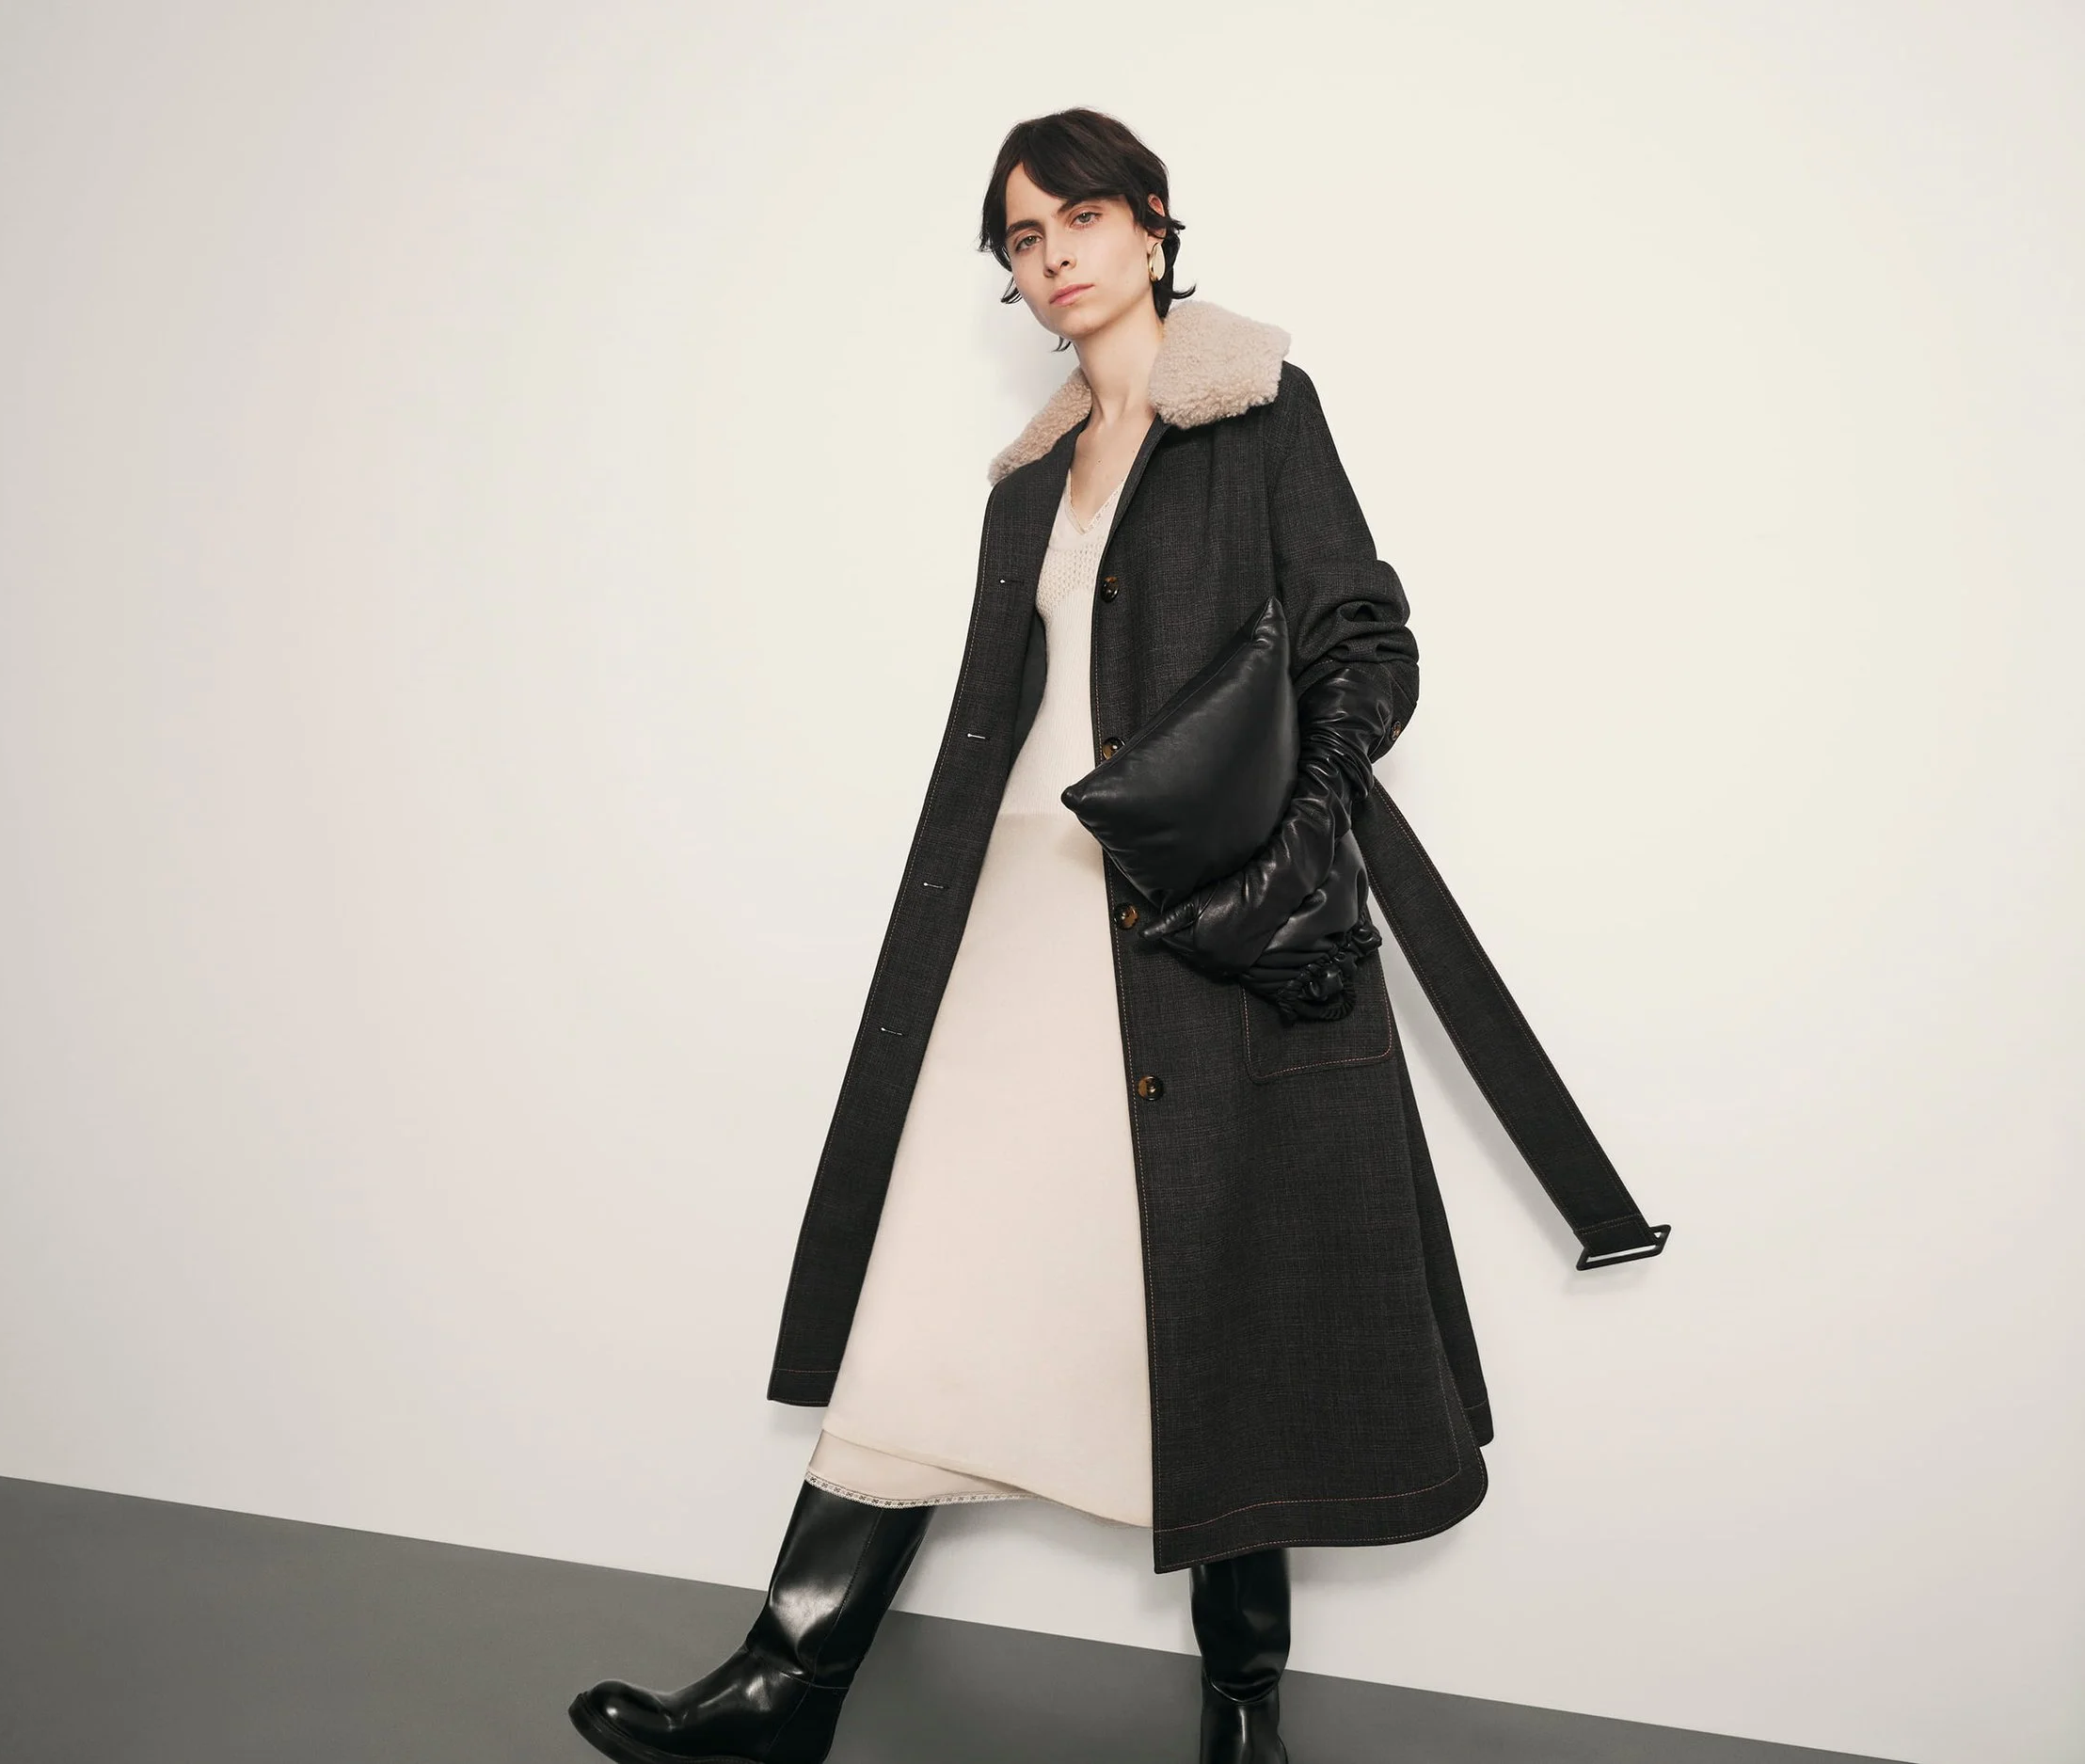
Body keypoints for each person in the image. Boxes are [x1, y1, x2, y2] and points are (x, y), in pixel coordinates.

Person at [567, 106, 1664, 1764]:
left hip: (1197, 927)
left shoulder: (1259, 410)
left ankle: (1242, 1710)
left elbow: (1365, 638)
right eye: (1023, 238)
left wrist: (1304, 833)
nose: (1054, 255)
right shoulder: (1027, 480)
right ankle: (786, 1678)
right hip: (1020, 914)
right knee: (930, 1264)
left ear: (1153, 223)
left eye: (1079, 216)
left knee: (1223, 1283)